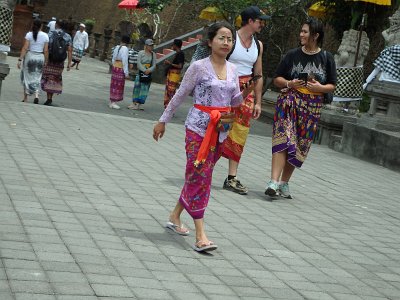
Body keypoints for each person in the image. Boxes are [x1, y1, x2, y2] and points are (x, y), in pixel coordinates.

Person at [153, 22, 253, 253]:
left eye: (229, 39)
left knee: (199, 175)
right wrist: (163, 120)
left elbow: (234, 102)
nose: (226, 42)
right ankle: (201, 235)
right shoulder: (198, 67)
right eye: (221, 38)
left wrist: (245, 92)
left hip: (220, 132)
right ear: (210, 41)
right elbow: (180, 94)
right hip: (198, 130)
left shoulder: (233, 69)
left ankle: (175, 215)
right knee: (201, 176)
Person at [265, 17, 337, 199]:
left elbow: (332, 85)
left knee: (298, 145)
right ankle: (273, 182)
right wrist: (290, 83)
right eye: (301, 31)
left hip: (312, 108)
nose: (301, 35)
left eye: (305, 32)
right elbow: (277, 78)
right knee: (284, 138)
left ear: (316, 35)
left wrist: (320, 88)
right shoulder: (292, 55)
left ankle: (284, 183)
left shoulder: (327, 58)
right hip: (290, 102)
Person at [221, 6, 269, 195]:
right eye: (260, 21)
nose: (262, 24)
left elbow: (258, 75)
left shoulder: (258, 45)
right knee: (219, 127)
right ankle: (204, 166)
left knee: (240, 133)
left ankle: (231, 177)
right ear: (250, 21)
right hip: (227, 89)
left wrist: (258, 101)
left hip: (247, 92)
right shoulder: (230, 40)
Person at [41, 19, 72, 106]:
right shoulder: (68, 36)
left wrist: (45, 59)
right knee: (55, 78)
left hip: (51, 60)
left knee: (49, 78)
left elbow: (46, 48)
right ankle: (51, 97)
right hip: (60, 62)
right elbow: (69, 50)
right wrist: (69, 63)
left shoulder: (50, 34)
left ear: (57, 25)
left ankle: (49, 98)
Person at [18, 18, 49, 104]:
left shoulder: (29, 34)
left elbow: (25, 47)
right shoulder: (45, 36)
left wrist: (20, 59)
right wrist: (46, 61)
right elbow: (46, 50)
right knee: (38, 77)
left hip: (30, 56)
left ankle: (25, 98)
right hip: (40, 57)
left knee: (26, 76)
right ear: (41, 26)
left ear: (33, 25)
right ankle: (36, 95)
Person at [128, 39, 156, 110]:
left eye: (152, 45)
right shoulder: (141, 53)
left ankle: (140, 103)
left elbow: (154, 65)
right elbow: (138, 63)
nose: (151, 47)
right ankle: (135, 102)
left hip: (148, 72)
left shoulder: (153, 54)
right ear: (146, 46)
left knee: (145, 88)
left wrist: (149, 70)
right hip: (141, 72)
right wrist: (144, 70)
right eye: (150, 45)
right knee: (137, 87)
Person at [109, 35, 131, 109]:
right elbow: (125, 61)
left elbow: (113, 58)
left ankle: (111, 101)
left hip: (115, 67)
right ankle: (114, 101)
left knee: (113, 84)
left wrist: (114, 65)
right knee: (118, 85)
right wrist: (126, 72)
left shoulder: (117, 47)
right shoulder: (125, 49)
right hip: (120, 68)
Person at [163, 38, 184, 108]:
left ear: (175, 46)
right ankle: (168, 107)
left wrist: (170, 63)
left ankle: (170, 107)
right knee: (169, 91)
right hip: (172, 74)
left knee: (171, 91)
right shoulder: (178, 53)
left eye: (173, 45)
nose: (172, 47)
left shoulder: (180, 54)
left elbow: (180, 66)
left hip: (174, 75)